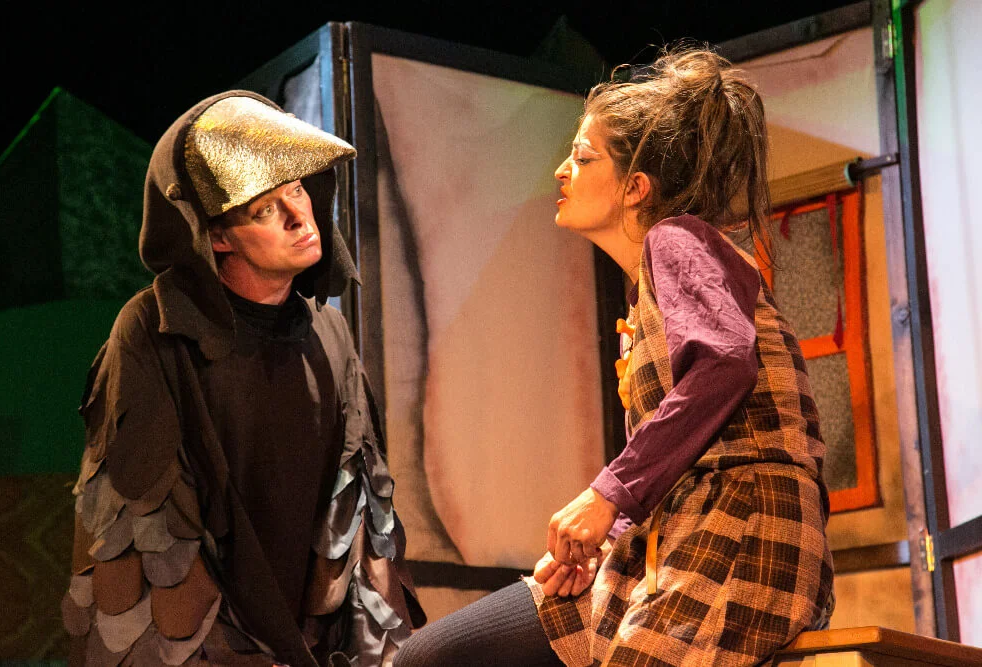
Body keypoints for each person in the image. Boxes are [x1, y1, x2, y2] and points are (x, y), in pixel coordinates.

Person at [393, 47, 834, 666]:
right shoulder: (647, 288)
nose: (561, 171)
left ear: (635, 187)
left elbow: (725, 363)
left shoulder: (677, 240)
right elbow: (678, 449)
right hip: (669, 534)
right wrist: (605, 538)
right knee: (431, 656)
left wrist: (607, 496)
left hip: (742, 529)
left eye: (583, 157)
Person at [61, 91, 424, 667]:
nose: (299, 217)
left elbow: (358, 531)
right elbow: (150, 550)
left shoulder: (330, 332)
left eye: (297, 189)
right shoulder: (154, 332)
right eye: (263, 210)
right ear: (217, 237)